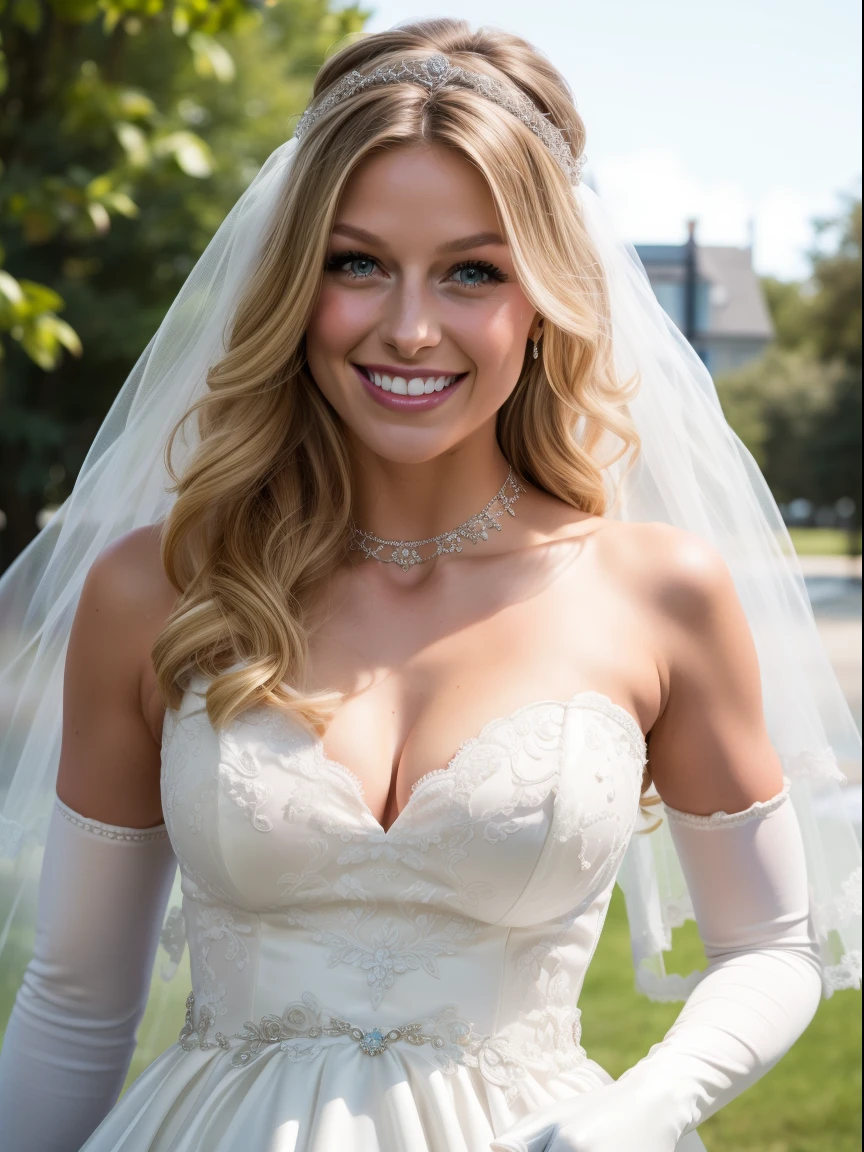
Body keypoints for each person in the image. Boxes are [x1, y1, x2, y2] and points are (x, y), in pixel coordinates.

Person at [0, 18, 860, 1152]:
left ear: (548, 295)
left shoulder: (659, 595)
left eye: (472, 272)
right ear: (295, 284)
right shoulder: (157, 589)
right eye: (357, 264)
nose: (409, 328)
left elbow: (771, 948)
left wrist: (639, 1111)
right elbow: (73, 1005)